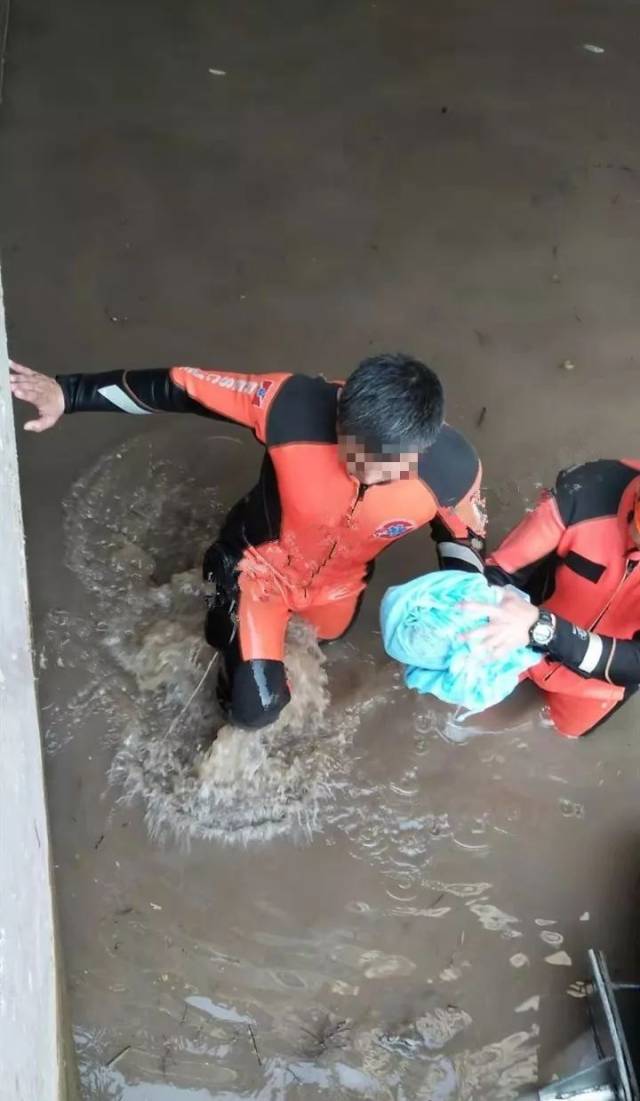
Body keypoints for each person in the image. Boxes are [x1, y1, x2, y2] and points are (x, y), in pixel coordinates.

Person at [10, 354, 486, 729]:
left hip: (339, 587)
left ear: (422, 445)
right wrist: (68, 393)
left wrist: (471, 628)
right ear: (341, 416)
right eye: (357, 454)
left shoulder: (453, 472)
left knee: (325, 646)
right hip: (256, 569)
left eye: (390, 465)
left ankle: (254, 653)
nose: (371, 474)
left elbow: (463, 553)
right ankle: (226, 659)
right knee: (255, 709)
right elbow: (180, 386)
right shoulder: (291, 406)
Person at [464, 459, 640, 738]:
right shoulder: (587, 491)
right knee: (459, 709)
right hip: (519, 626)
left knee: (561, 737)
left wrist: (544, 629)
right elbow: (502, 570)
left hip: (599, 681)